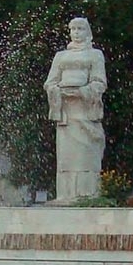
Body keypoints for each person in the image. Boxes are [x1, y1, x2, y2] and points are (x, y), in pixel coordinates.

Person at [44, 17, 106, 202]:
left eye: (80, 29)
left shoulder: (95, 55)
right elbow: (50, 82)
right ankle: (65, 195)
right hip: (66, 113)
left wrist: (82, 92)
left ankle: (87, 196)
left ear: (88, 32)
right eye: (73, 29)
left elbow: (100, 82)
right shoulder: (60, 56)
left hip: (86, 111)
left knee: (86, 156)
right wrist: (58, 91)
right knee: (67, 157)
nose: (77, 33)